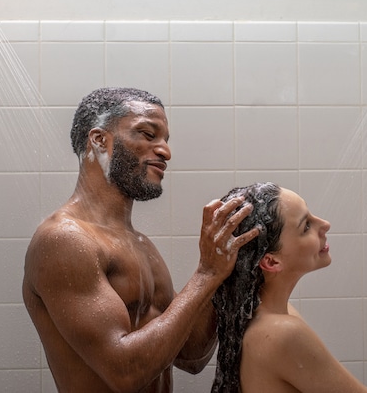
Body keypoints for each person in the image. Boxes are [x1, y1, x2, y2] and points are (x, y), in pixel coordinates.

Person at [22, 87, 259, 393]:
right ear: (99, 141)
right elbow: (126, 373)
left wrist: (227, 268)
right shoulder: (64, 240)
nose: (165, 151)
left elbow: (191, 355)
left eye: (166, 140)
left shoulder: (141, 245)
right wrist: (206, 273)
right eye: (147, 134)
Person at [212, 182, 367, 393]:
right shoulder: (282, 333)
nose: (325, 224)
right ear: (271, 262)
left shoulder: (253, 318)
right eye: (306, 226)